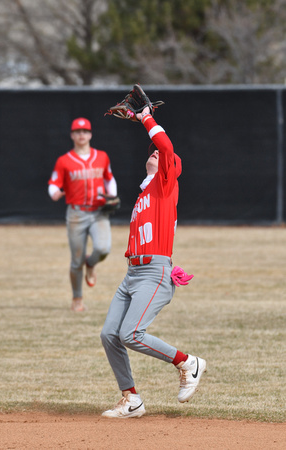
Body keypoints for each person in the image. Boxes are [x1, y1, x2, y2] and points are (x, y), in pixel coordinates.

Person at [100, 106, 206, 418]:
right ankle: (131, 399)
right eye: (153, 154)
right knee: (110, 334)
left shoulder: (165, 185)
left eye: (159, 156)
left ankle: (187, 362)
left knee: (131, 334)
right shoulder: (144, 194)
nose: (155, 155)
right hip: (132, 274)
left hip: (153, 273)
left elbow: (167, 147)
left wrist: (145, 117)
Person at [48, 117, 118, 312]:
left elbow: (109, 179)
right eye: (78, 131)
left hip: (98, 212)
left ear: (90, 134)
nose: (82, 135)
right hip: (76, 213)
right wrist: (54, 193)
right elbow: (54, 182)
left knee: (103, 249)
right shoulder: (64, 160)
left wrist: (112, 194)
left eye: (85, 131)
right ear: (72, 135)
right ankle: (77, 298)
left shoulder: (102, 156)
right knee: (76, 260)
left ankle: (91, 262)